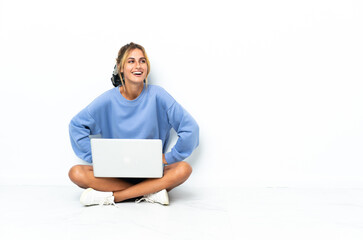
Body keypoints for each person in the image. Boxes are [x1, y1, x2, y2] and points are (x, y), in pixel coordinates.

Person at [68, 42, 199, 206]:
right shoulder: (107, 100)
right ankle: (150, 192)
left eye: (142, 61)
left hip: (151, 172)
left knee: (184, 169)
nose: (138, 66)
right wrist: (99, 158)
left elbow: (190, 129)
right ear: (120, 67)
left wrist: (168, 157)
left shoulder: (159, 96)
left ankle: (114, 197)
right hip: (114, 173)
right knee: (76, 173)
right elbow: (76, 126)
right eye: (131, 61)